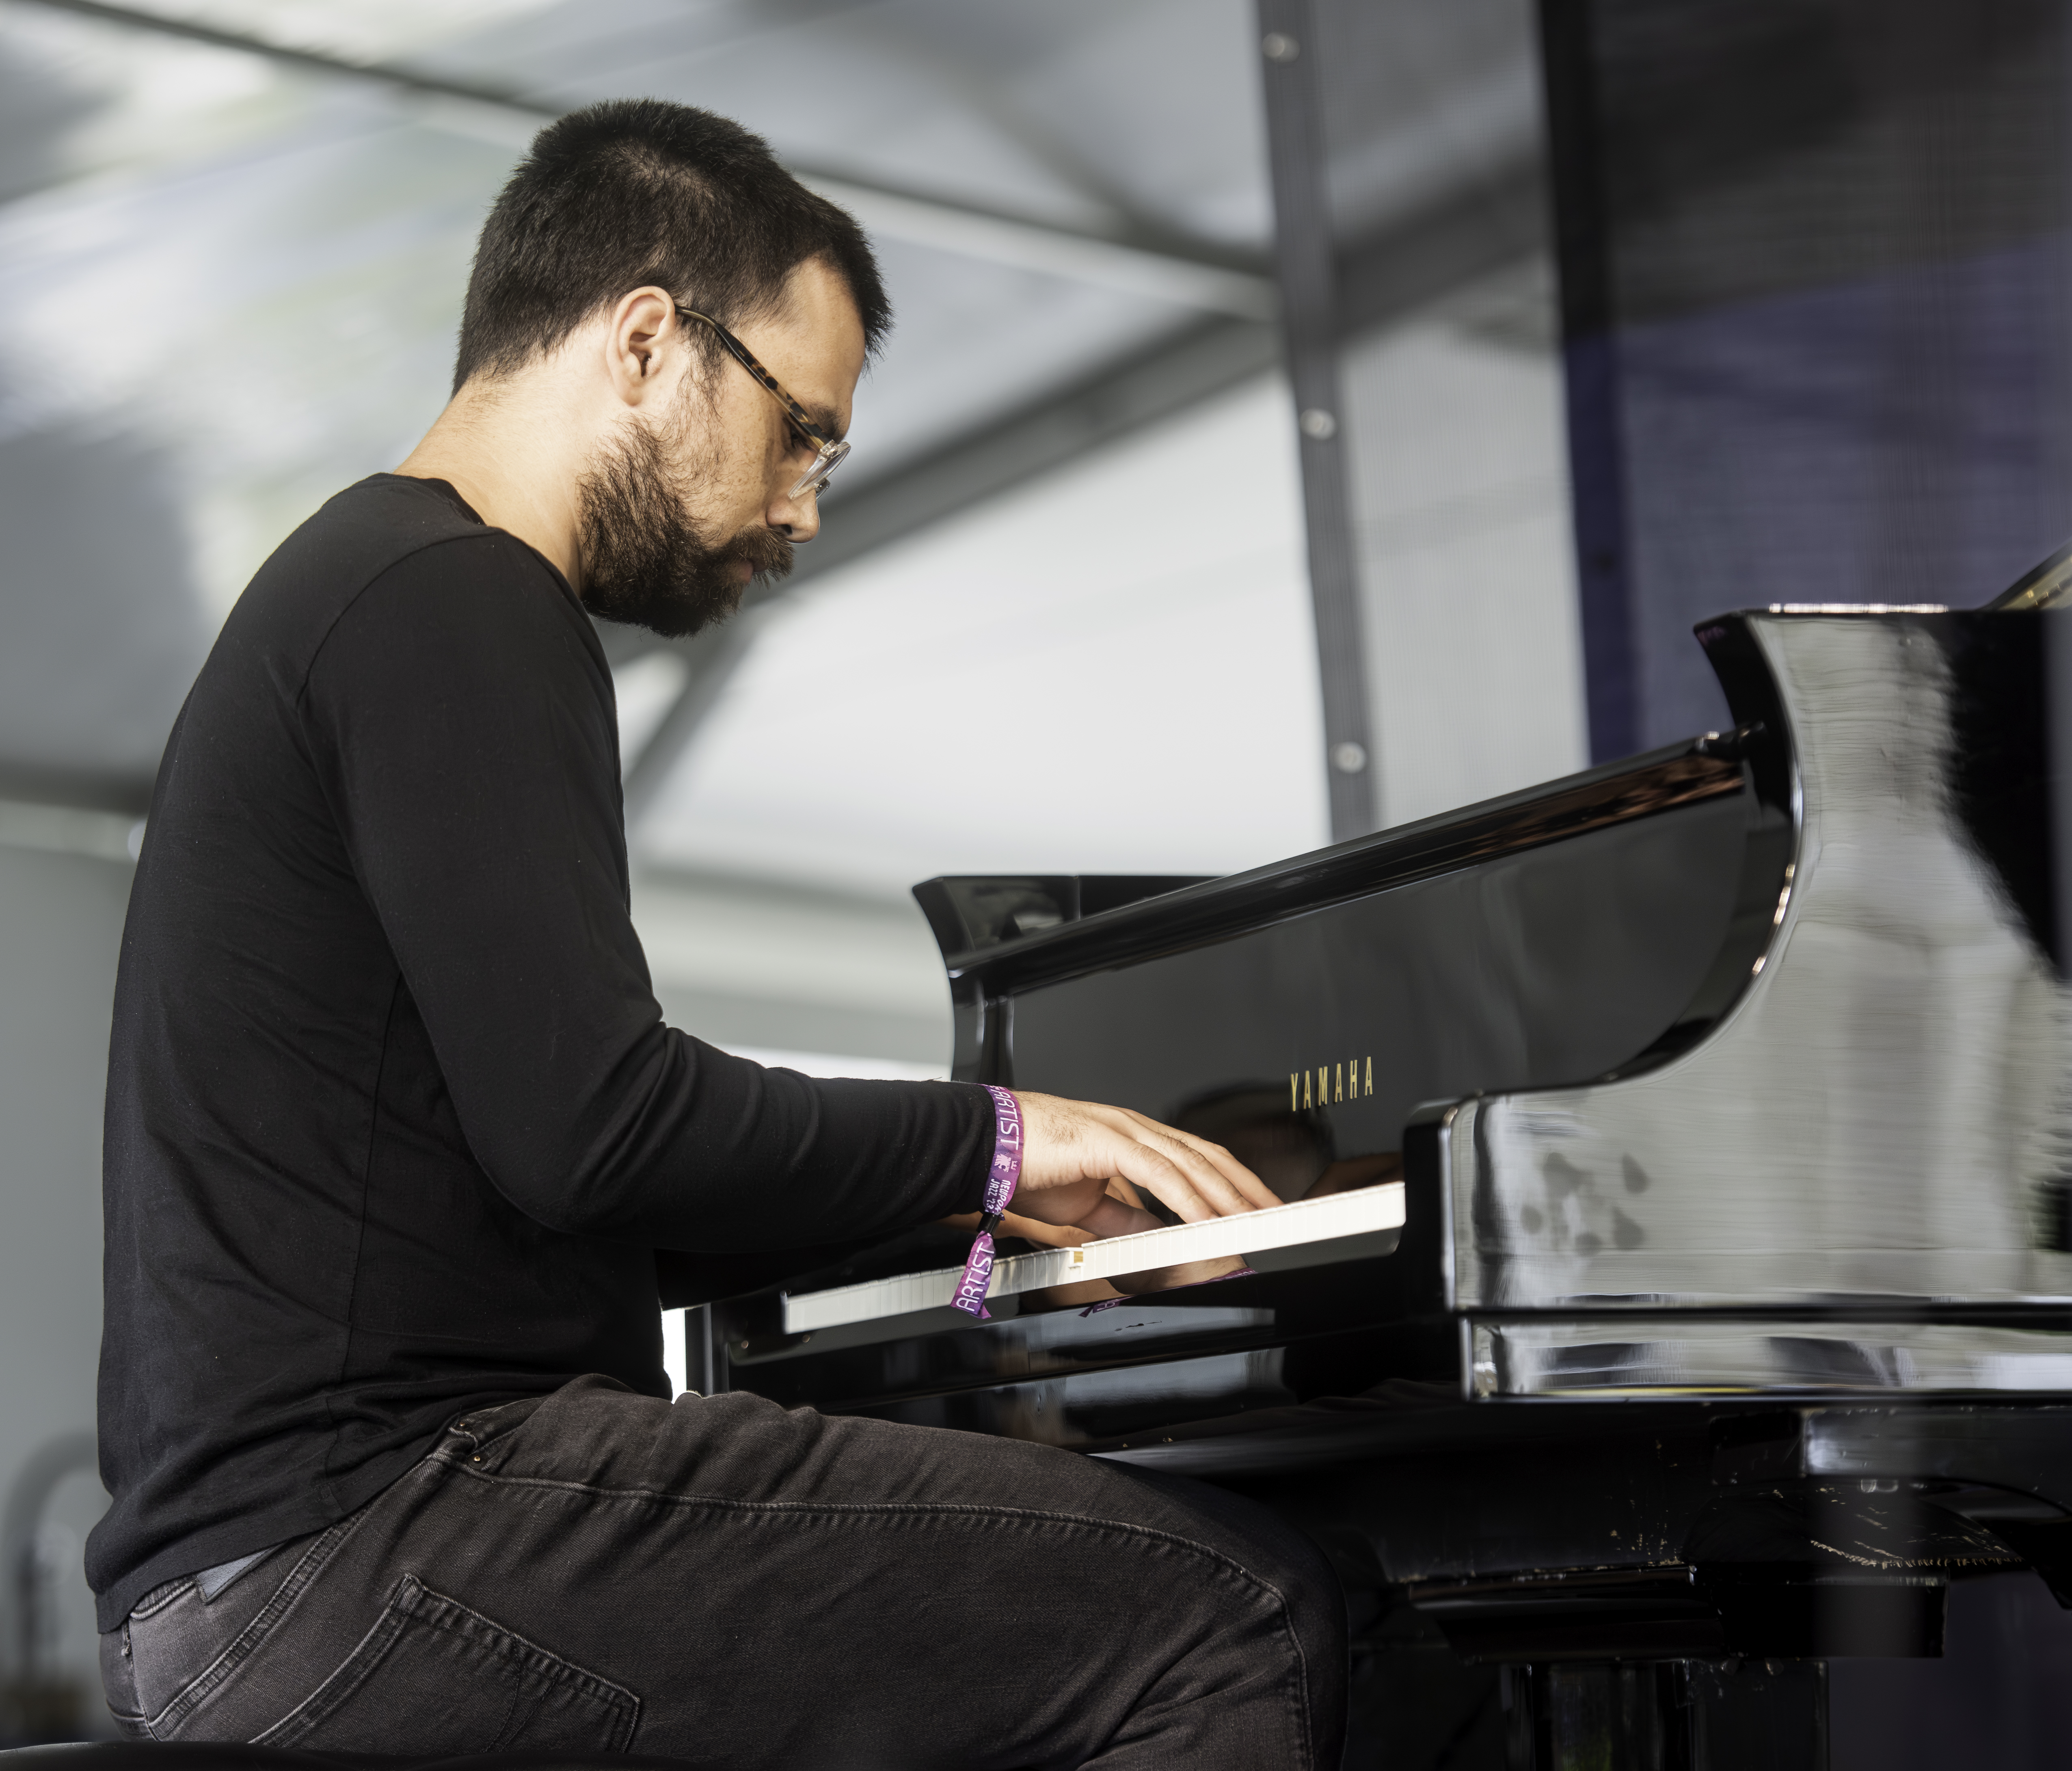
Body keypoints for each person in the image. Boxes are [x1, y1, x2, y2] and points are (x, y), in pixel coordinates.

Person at [89, 99, 1347, 1768]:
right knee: (1227, 1605)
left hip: (262, 1575)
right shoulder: (457, 597)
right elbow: (599, 1130)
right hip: (366, 1540)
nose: (803, 507)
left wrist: (976, 1211)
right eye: (801, 430)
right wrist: (995, 1134)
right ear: (644, 340)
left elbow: (567, 1191)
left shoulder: (367, 589)